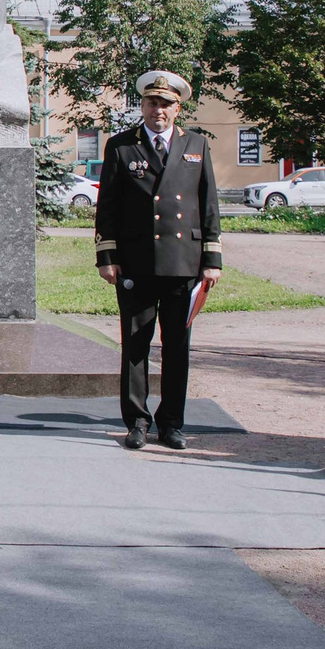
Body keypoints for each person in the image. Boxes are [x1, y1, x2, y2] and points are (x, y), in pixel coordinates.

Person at [94, 68, 225, 451]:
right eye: (152, 102)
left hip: (183, 264)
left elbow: (209, 204)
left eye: (166, 104)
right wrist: (107, 257)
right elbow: (109, 207)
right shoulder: (121, 146)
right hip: (136, 263)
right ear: (143, 105)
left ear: (177, 108)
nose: (158, 110)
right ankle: (136, 421)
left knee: (177, 347)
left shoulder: (196, 145)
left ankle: (172, 423)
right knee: (135, 346)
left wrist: (212, 259)